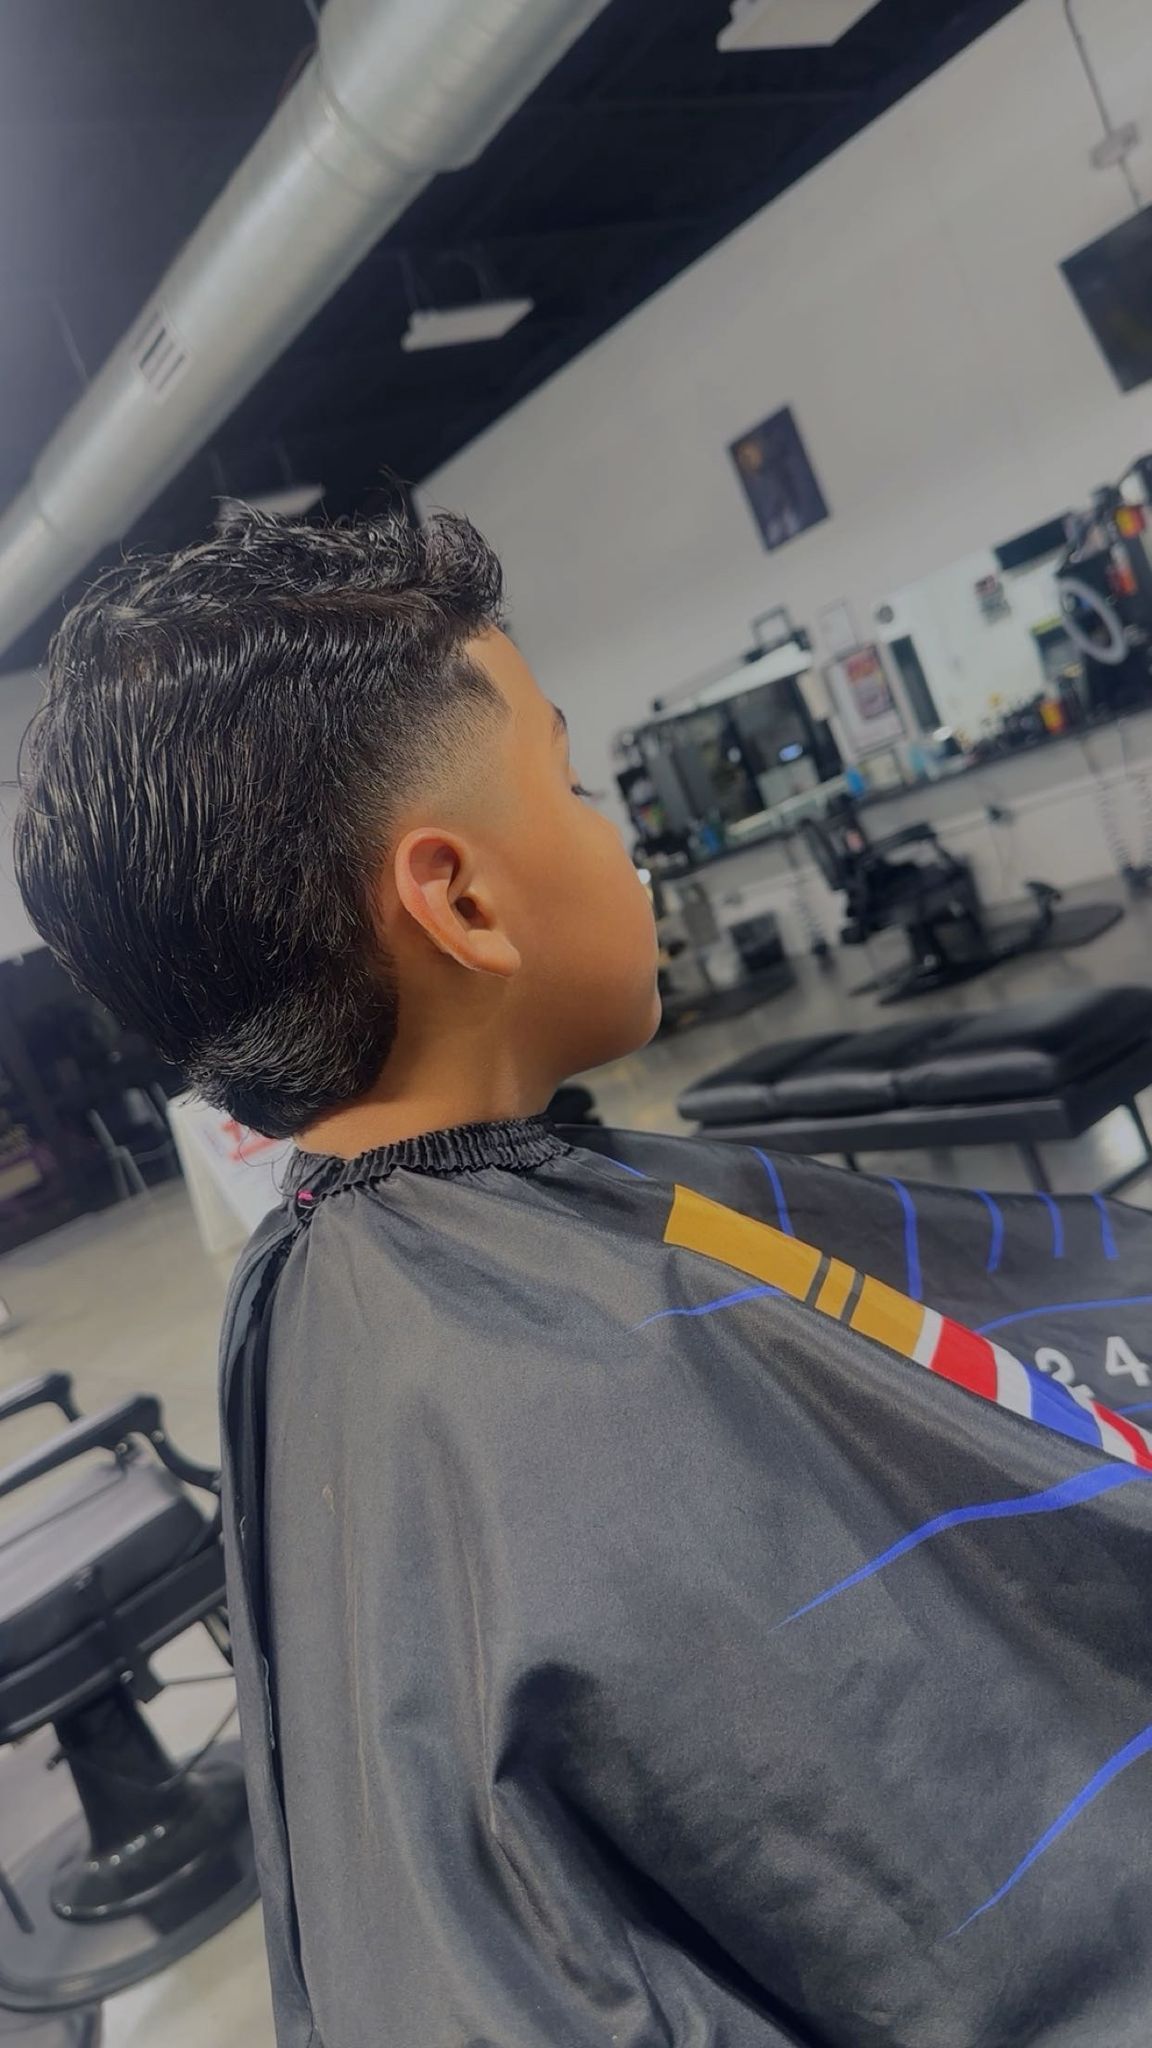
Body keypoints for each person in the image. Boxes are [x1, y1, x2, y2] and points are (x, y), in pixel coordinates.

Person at [16, 508, 1152, 2048]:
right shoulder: (595, 1408)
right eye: (568, 782)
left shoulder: (307, 1291)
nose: (612, 832)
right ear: (463, 902)